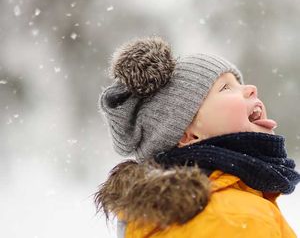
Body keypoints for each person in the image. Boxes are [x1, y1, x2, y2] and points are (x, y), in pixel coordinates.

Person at [94, 36, 300, 237]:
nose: (251, 89)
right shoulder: (235, 217)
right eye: (226, 88)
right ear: (189, 136)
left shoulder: (169, 219)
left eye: (238, 83)